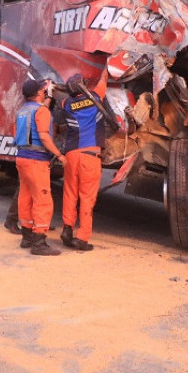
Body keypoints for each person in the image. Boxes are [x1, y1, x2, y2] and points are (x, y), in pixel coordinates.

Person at [14, 78, 64, 256]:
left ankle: (26, 237)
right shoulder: (41, 111)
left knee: (25, 197)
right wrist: (58, 154)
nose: (44, 93)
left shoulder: (22, 110)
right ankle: (39, 242)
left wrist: (47, 98)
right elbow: (43, 135)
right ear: (38, 94)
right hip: (37, 160)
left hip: (22, 158)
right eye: (43, 91)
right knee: (43, 199)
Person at [59, 70, 108, 251]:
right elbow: (104, 79)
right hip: (90, 155)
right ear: (83, 86)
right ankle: (81, 238)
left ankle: (67, 229)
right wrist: (106, 67)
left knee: (70, 193)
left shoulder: (66, 103)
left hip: (71, 154)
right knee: (87, 198)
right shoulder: (96, 97)